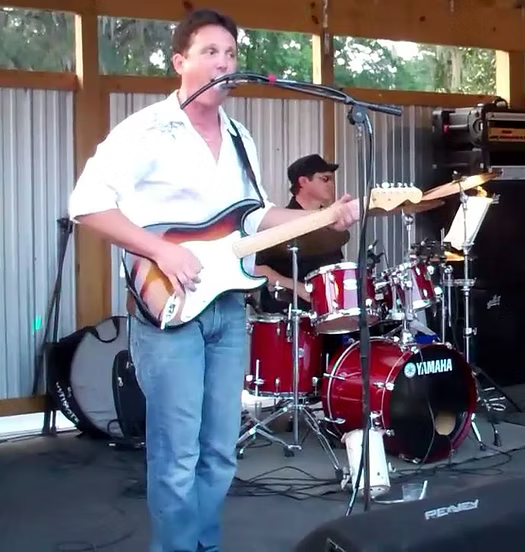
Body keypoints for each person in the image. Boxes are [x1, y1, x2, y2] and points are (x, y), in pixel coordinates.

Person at [67, 9, 359, 552]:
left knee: (220, 450)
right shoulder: (145, 130)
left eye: (230, 53)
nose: (224, 63)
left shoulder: (240, 136)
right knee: (177, 455)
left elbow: (252, 217)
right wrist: (160, 249)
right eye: (210, 52)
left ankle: (204, 545)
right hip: (170, 308)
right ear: (179, 61)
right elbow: (86, 205)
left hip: (228, 307)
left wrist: (325, 217)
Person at [253, 154, 350, 314]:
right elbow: (257, 268)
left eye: (332, 180)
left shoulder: (329, 227)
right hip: (288, 315)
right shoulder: (280, 222)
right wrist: (297, 287)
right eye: (325, 179)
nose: (331, 184)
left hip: (326, 312)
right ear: (303, 181)